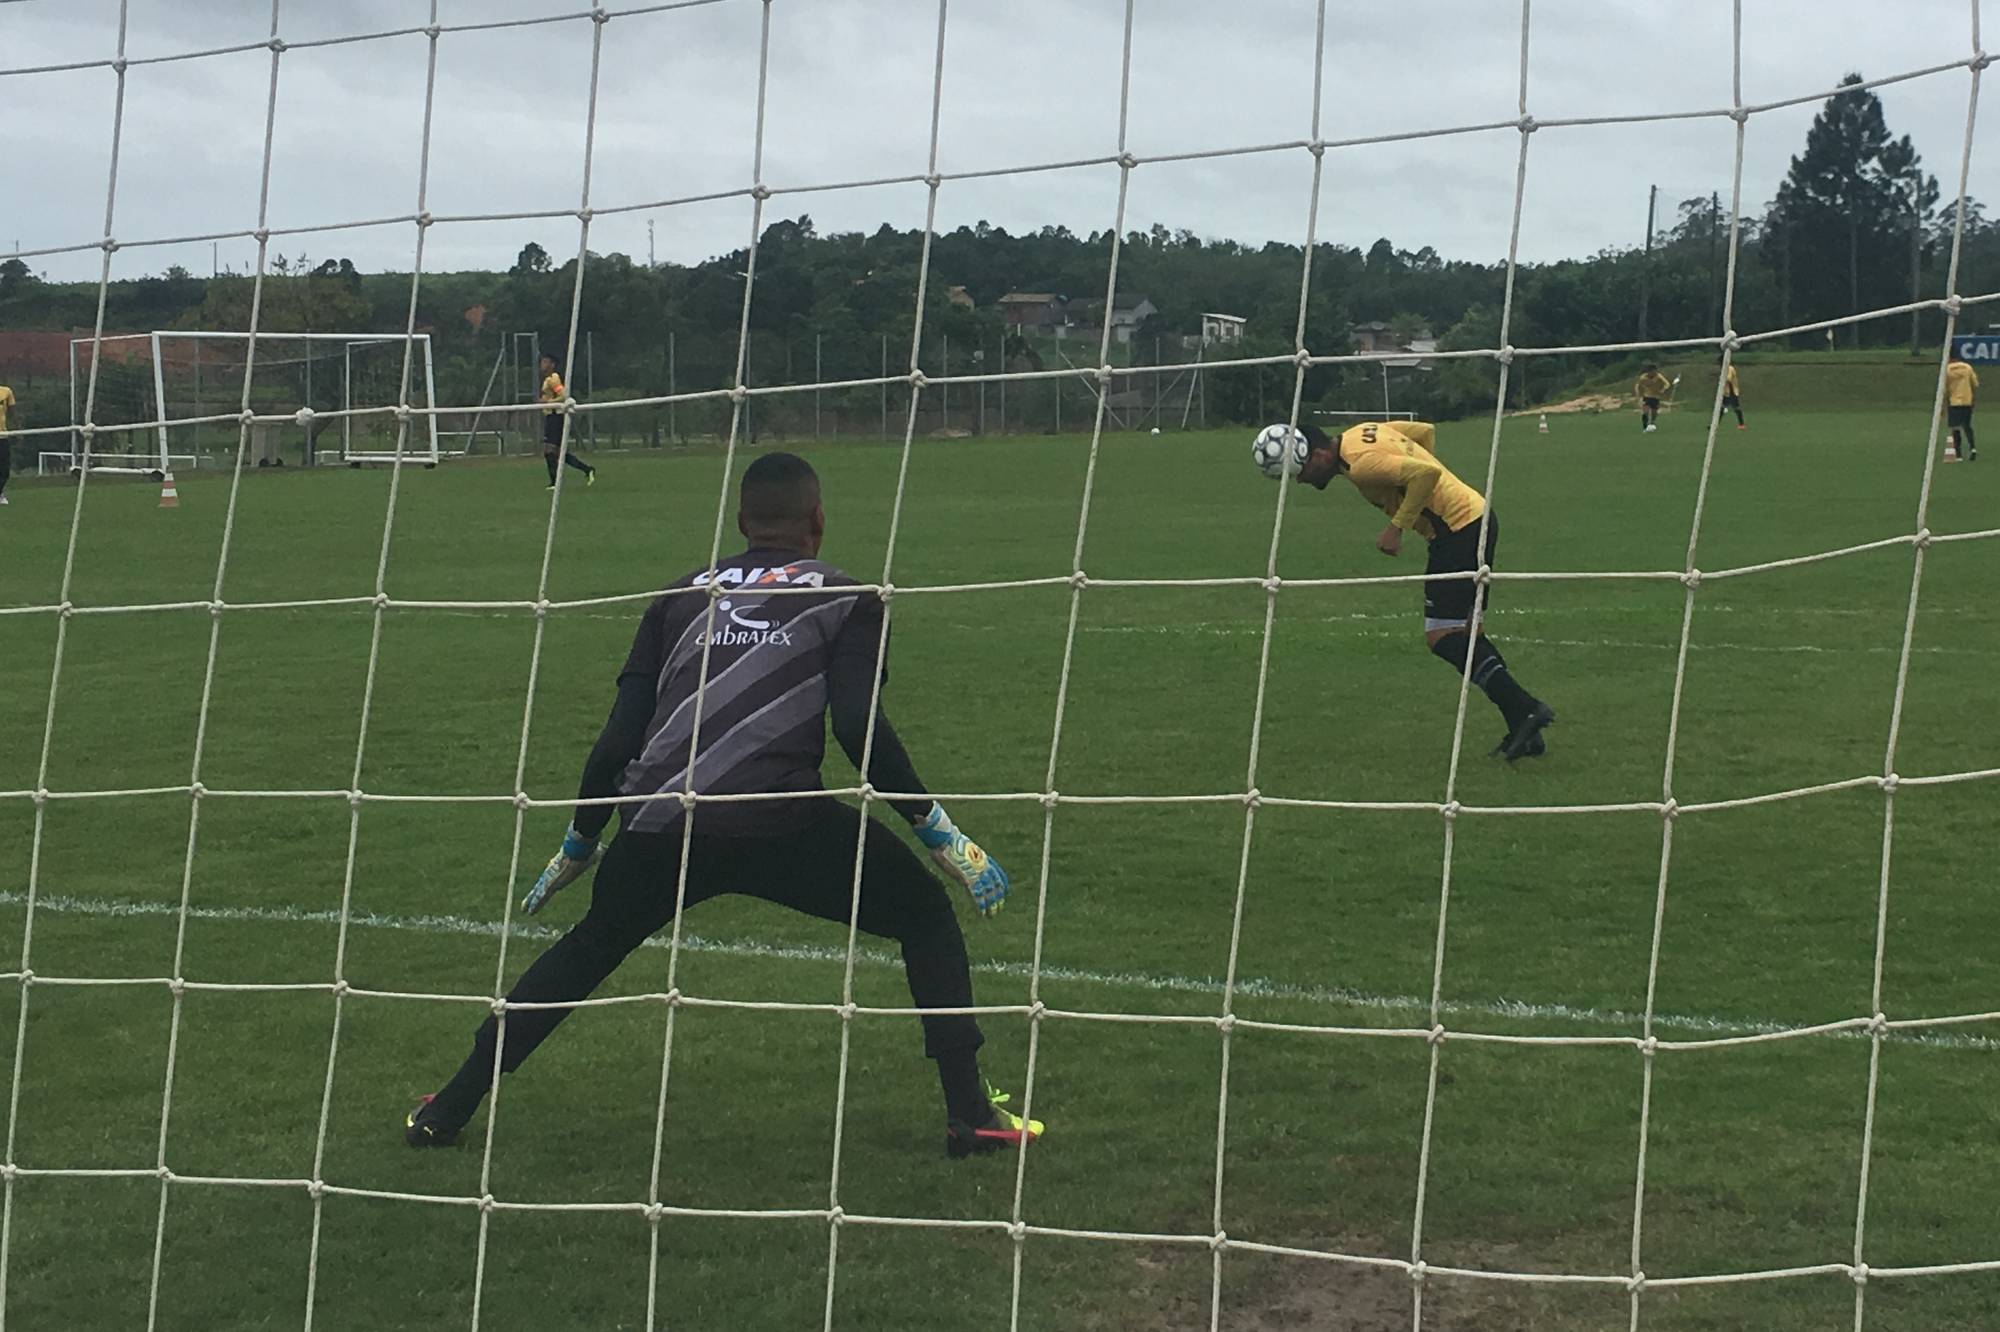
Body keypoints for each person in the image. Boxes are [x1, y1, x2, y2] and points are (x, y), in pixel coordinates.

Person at [405, 451, 1043, 1159]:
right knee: (923, 915)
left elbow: (618, 738)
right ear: (819, 521)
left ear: (741, 523)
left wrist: (580, 842)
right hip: (781, 821)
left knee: (588, 948)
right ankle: (971, 1115)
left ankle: (450, 1105)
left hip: (658, 821)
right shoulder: (847, 596)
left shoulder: (679, 597)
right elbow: (857, 727)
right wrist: (941, 833)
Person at [1274, 420, 1555, 760]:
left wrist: (1398, 526)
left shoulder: (1362, 467)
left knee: (1443, 636)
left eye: (1299, 472)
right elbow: (1423, 431)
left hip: (1458, 530)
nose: (1301, 481)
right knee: (1469, 634)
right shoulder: (1360, 434)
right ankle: (1524, 729)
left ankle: (1526, 708)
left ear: (1318, 455)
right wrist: (1426, 497)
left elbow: (1424, 475)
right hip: (1474, 517)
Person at [539, 352, 596, 489]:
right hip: (552, 417)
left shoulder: (554, 379)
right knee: (559, 453)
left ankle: (555, 483)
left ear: (552, 365)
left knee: (549, 451)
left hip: (556, 417)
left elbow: (564, 395)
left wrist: (549, 402)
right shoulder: (548, 379)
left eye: (546, 362)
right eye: (542, 362)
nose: (542, 364)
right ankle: (587, 469)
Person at [1945, 349, 1979, 462]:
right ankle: (1972, 448)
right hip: (1967, 401)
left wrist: (1944, 405)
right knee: (1967, 426)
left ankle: (1958, 455)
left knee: (1955, 428)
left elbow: (1944, 388)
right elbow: (1975, 384)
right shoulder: (1967, 367)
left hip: (1954, 402)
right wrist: (1973, 399)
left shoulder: (1947, 369)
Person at [1634, 364, 1671, 433]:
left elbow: (1667, 384)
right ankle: (1645, 427)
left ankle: (1652, 424)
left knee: (1654, 413)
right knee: (1645, 412)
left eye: (1655, 371)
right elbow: (1638, 386)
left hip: (1656, 397)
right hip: (1647, 396)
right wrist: (1638, 395)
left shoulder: (1659, 376)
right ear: (1648, 371)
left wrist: (1663, 390)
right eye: (1652, 371)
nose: (1654, 373)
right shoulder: (1643, 378)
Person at [0, 381, 16, 505]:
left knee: (4, 469)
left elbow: (12, 414)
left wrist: (17, 430)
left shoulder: (6, 391)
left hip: (2, 436)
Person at [1719, 357, 1746, 430]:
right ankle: (1716, 424)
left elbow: (1728, 379)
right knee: (1721, 408)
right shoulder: (1725, 369)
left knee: (1736, 408)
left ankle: (1742, 424)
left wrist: (1721, 377)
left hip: (1732, 392)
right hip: (1727, 392)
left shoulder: (1730, 368)